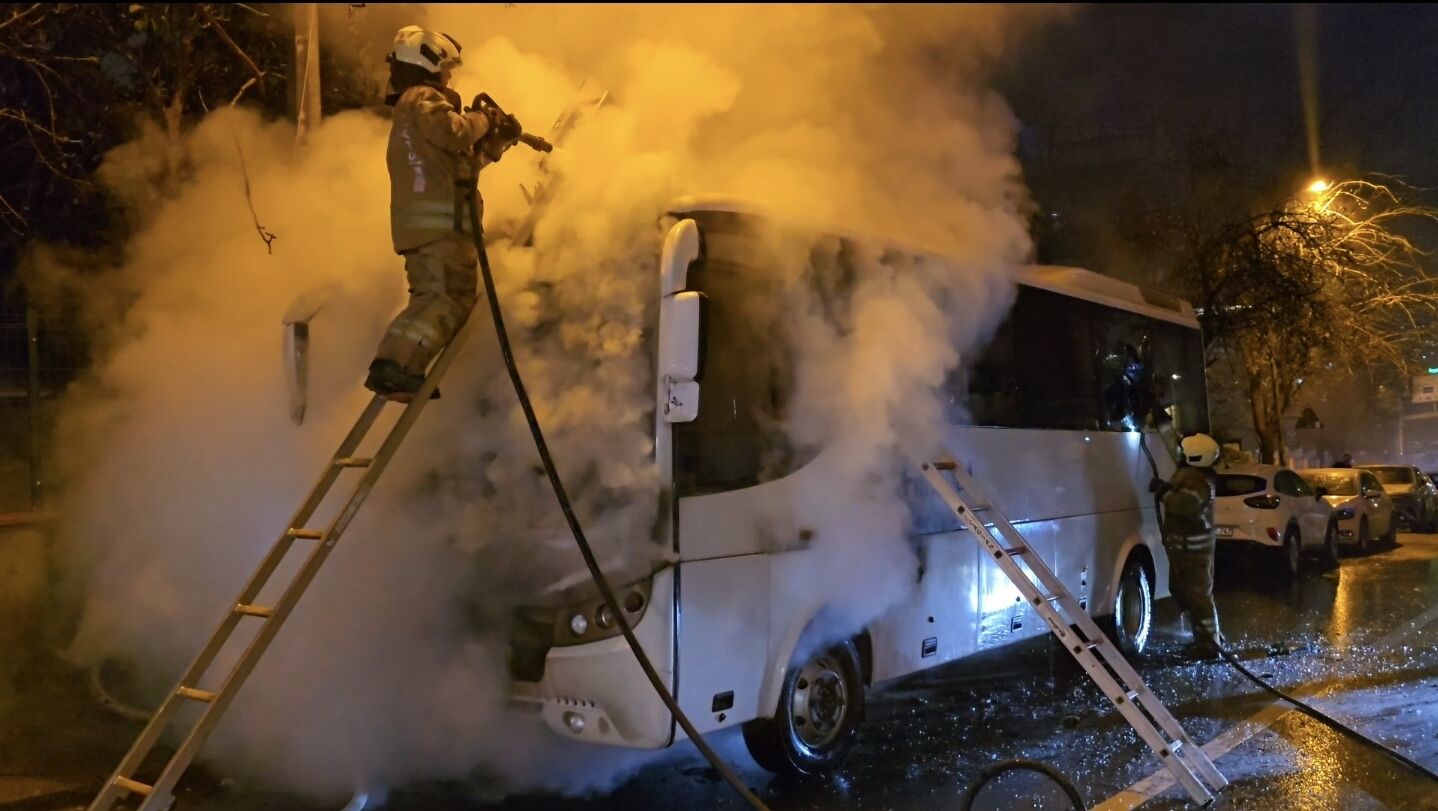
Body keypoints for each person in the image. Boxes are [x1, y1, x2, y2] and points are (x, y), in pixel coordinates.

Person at [364, 25, 523, 401]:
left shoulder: (414, 117)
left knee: (434, 298)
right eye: (447, 69)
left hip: (428, 229)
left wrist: (496, 143)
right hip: (441, 230)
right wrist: (485, 119)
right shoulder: (422, 99)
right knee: (447, 299)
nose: (449, 77)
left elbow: (461, 169)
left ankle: (402, 367)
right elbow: (455, 133)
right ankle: (395, 367)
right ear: (429, 63)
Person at [1150, 433, 1224, 659]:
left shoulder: (1197, 480)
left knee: (1198, 598)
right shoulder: (1195, 474)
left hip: (1194, 553)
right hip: (1185, 551)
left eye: (1184, 451)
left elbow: (1183, 503)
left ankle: (1210, 645)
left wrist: (1163, 492)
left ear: (1194, 456)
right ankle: (1207, 639)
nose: (1180, 453)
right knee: (1183, 592)